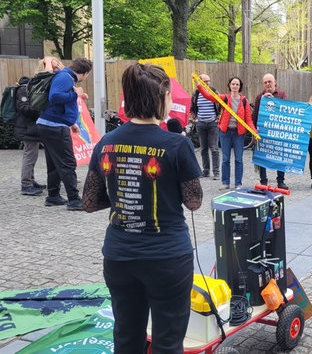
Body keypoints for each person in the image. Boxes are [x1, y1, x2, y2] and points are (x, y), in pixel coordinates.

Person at [82, 63, 203, 353]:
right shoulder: (176, 145)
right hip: (168, 258)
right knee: (168, 341)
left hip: (120, 257)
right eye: (169, 96)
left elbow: (89, 201)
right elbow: (194, 201)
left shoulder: (106, 143)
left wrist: (125, 191)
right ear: (160, 98)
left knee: (126, 337)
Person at [36, 56, 92, 210]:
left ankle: (53, 196)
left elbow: (59, 105)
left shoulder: (65, 77)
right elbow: (54, 97)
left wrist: (71, 123)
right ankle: (74, 200)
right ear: (85, 73)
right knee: (68, 162)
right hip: (54, 127)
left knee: (54, 162)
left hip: (50, 125)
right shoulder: (66, 78)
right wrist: (76, 94)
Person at [197, 76, 255, 190]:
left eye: (237, 84)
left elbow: (248, 120)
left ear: (240, 87)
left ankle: (238, 183)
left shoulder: (244, 101)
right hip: (225, 133)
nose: (235, 86)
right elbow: (208, 96)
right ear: (229, 85)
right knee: (225, 159)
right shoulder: (224, 98)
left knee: (238, 159)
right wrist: (199, 85)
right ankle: (225, 182)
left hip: (239, 134)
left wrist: (254, 132)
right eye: (233, 84)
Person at [14, 64, 50, 195]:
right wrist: (39, 108)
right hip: (26, 128)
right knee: (30, 155)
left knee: (32, 155)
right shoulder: (23, 90)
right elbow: (23, 107)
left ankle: (31, 180)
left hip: (30, 128)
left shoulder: (28, 89)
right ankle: (26, 184)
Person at [254, 73, 289, 189]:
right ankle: (263, 181)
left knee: (280, 154)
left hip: (278, 131)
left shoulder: (282, 95)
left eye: (270, 81)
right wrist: (254, 131)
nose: (268, 84)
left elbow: (285, 112)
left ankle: (280, 181)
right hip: (264, 131)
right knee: (262, 155)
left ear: (275, 82)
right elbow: (255, 115)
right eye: (265, 82)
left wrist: (274, 101)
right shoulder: (259, 97)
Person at [190, 73, 220, 180]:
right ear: (200, 82)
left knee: (214, 148)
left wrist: (219, 117)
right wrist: (195, 118)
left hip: (213, 123)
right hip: (201, 123)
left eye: (208, 80)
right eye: (205, 81)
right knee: (203, 149)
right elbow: (192, 109)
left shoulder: (214, 92)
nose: (207, 83)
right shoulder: (196, 94)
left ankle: (216, 172)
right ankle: (206, 171)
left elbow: (222, 105)